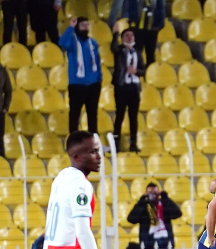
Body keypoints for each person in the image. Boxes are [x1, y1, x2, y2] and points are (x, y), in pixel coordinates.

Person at [60, 17, 103, 135]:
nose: (85, 27)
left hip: (93, 85)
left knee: (93, 115)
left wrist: (99, 79)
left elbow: (97, 62)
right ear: (77, 27)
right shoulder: (72, 41)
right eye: (82, 25)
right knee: (74, 114)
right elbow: (62, 43)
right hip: (77, 85)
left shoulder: (93, 43)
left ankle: (94, 141)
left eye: (87, 25)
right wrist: (70, 27)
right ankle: (73, 141)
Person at [126, 183, 182, 249]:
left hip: (165, 246)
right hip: (148, 246)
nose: (152, 196)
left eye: (155, 193)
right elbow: (131, 219)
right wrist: (141, 201)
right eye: (150, 193)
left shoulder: (164, 205)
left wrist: (165, 198)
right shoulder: (143, 208)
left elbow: (177, 213)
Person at [111, 25, 145, 153]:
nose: (130, 38)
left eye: (131, 35)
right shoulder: (119, 51)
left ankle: (133, 143)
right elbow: (113, 48)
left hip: (134, 87)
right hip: (121, 86)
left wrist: (136, 71)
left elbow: (143, 69)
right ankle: (116, 142)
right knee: (120, 114)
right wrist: (115, 34)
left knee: (133, 116)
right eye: (127, 36)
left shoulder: (137, 52)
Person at [126, 0, 166, 66]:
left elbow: (161, 8)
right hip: (137, 28)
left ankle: (150, 73)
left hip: (152, 29)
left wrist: (160, 24)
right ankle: (135, 73)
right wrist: (132, 22)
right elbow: (131, 7)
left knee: (150, 54)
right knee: (136, 53)